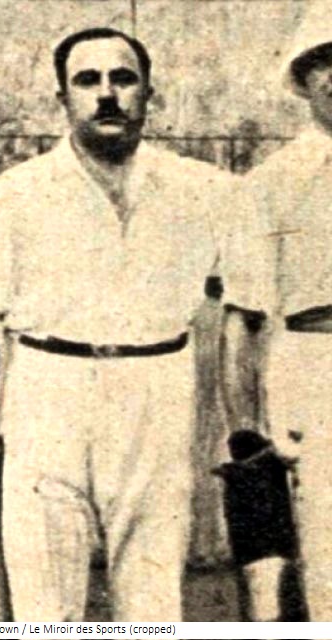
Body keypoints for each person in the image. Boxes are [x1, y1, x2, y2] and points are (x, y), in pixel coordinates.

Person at [0, 27, 267, 621]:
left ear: (150, 94)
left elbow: (249, 303)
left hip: (158, 391)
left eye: (123, 79)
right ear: (62, 99)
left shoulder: (207, 191)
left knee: (151, 598)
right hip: (48, 391)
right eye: (87, 81)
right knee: (45, 601)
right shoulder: (11, 197)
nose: (107, 94)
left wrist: (245, 422)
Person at [223, 4, 332, 621]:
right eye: (323, 61)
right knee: (325, 564)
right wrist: (246, 434)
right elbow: (243, 316)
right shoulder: (271, 183)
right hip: (314, 372)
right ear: (303, 77)